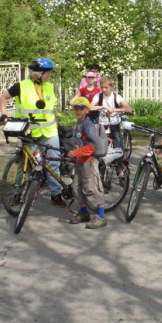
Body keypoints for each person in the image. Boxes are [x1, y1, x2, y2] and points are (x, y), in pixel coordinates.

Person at [0, 57, 65, 208]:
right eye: (47, 73)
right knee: (25, 163)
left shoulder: (49, 87)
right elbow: (3, 97)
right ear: (38, 73)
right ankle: (18, 193)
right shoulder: (21, 86)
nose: (49, 76)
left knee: (53, 162)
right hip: (29, 131)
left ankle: (56, 194)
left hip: (49, 130)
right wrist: (4, 114)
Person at [66, 97, 107, 229]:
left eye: (81, 109)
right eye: (76, 109)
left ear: (87, 110)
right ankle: (84, 213)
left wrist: (76, 153)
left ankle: (101, 216)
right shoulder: (79, 123)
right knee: (77, 187)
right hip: (80, 161)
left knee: (91, 188)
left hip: (89, 161)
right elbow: (78, 140)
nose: (78, 111)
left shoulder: (87, 125)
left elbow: (93, 144)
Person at [90, 75, 132, 150]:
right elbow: (90, 107)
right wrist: (103, 107)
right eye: (102, 87)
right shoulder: (98, 96)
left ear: (111, 87)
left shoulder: (117, 97)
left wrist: (114, 110)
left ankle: (119, 158)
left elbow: (129, 108)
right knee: (101, 143)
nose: (104, 90)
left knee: (117, 141)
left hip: (114, 122)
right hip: (102, 122)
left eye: (106, 88)